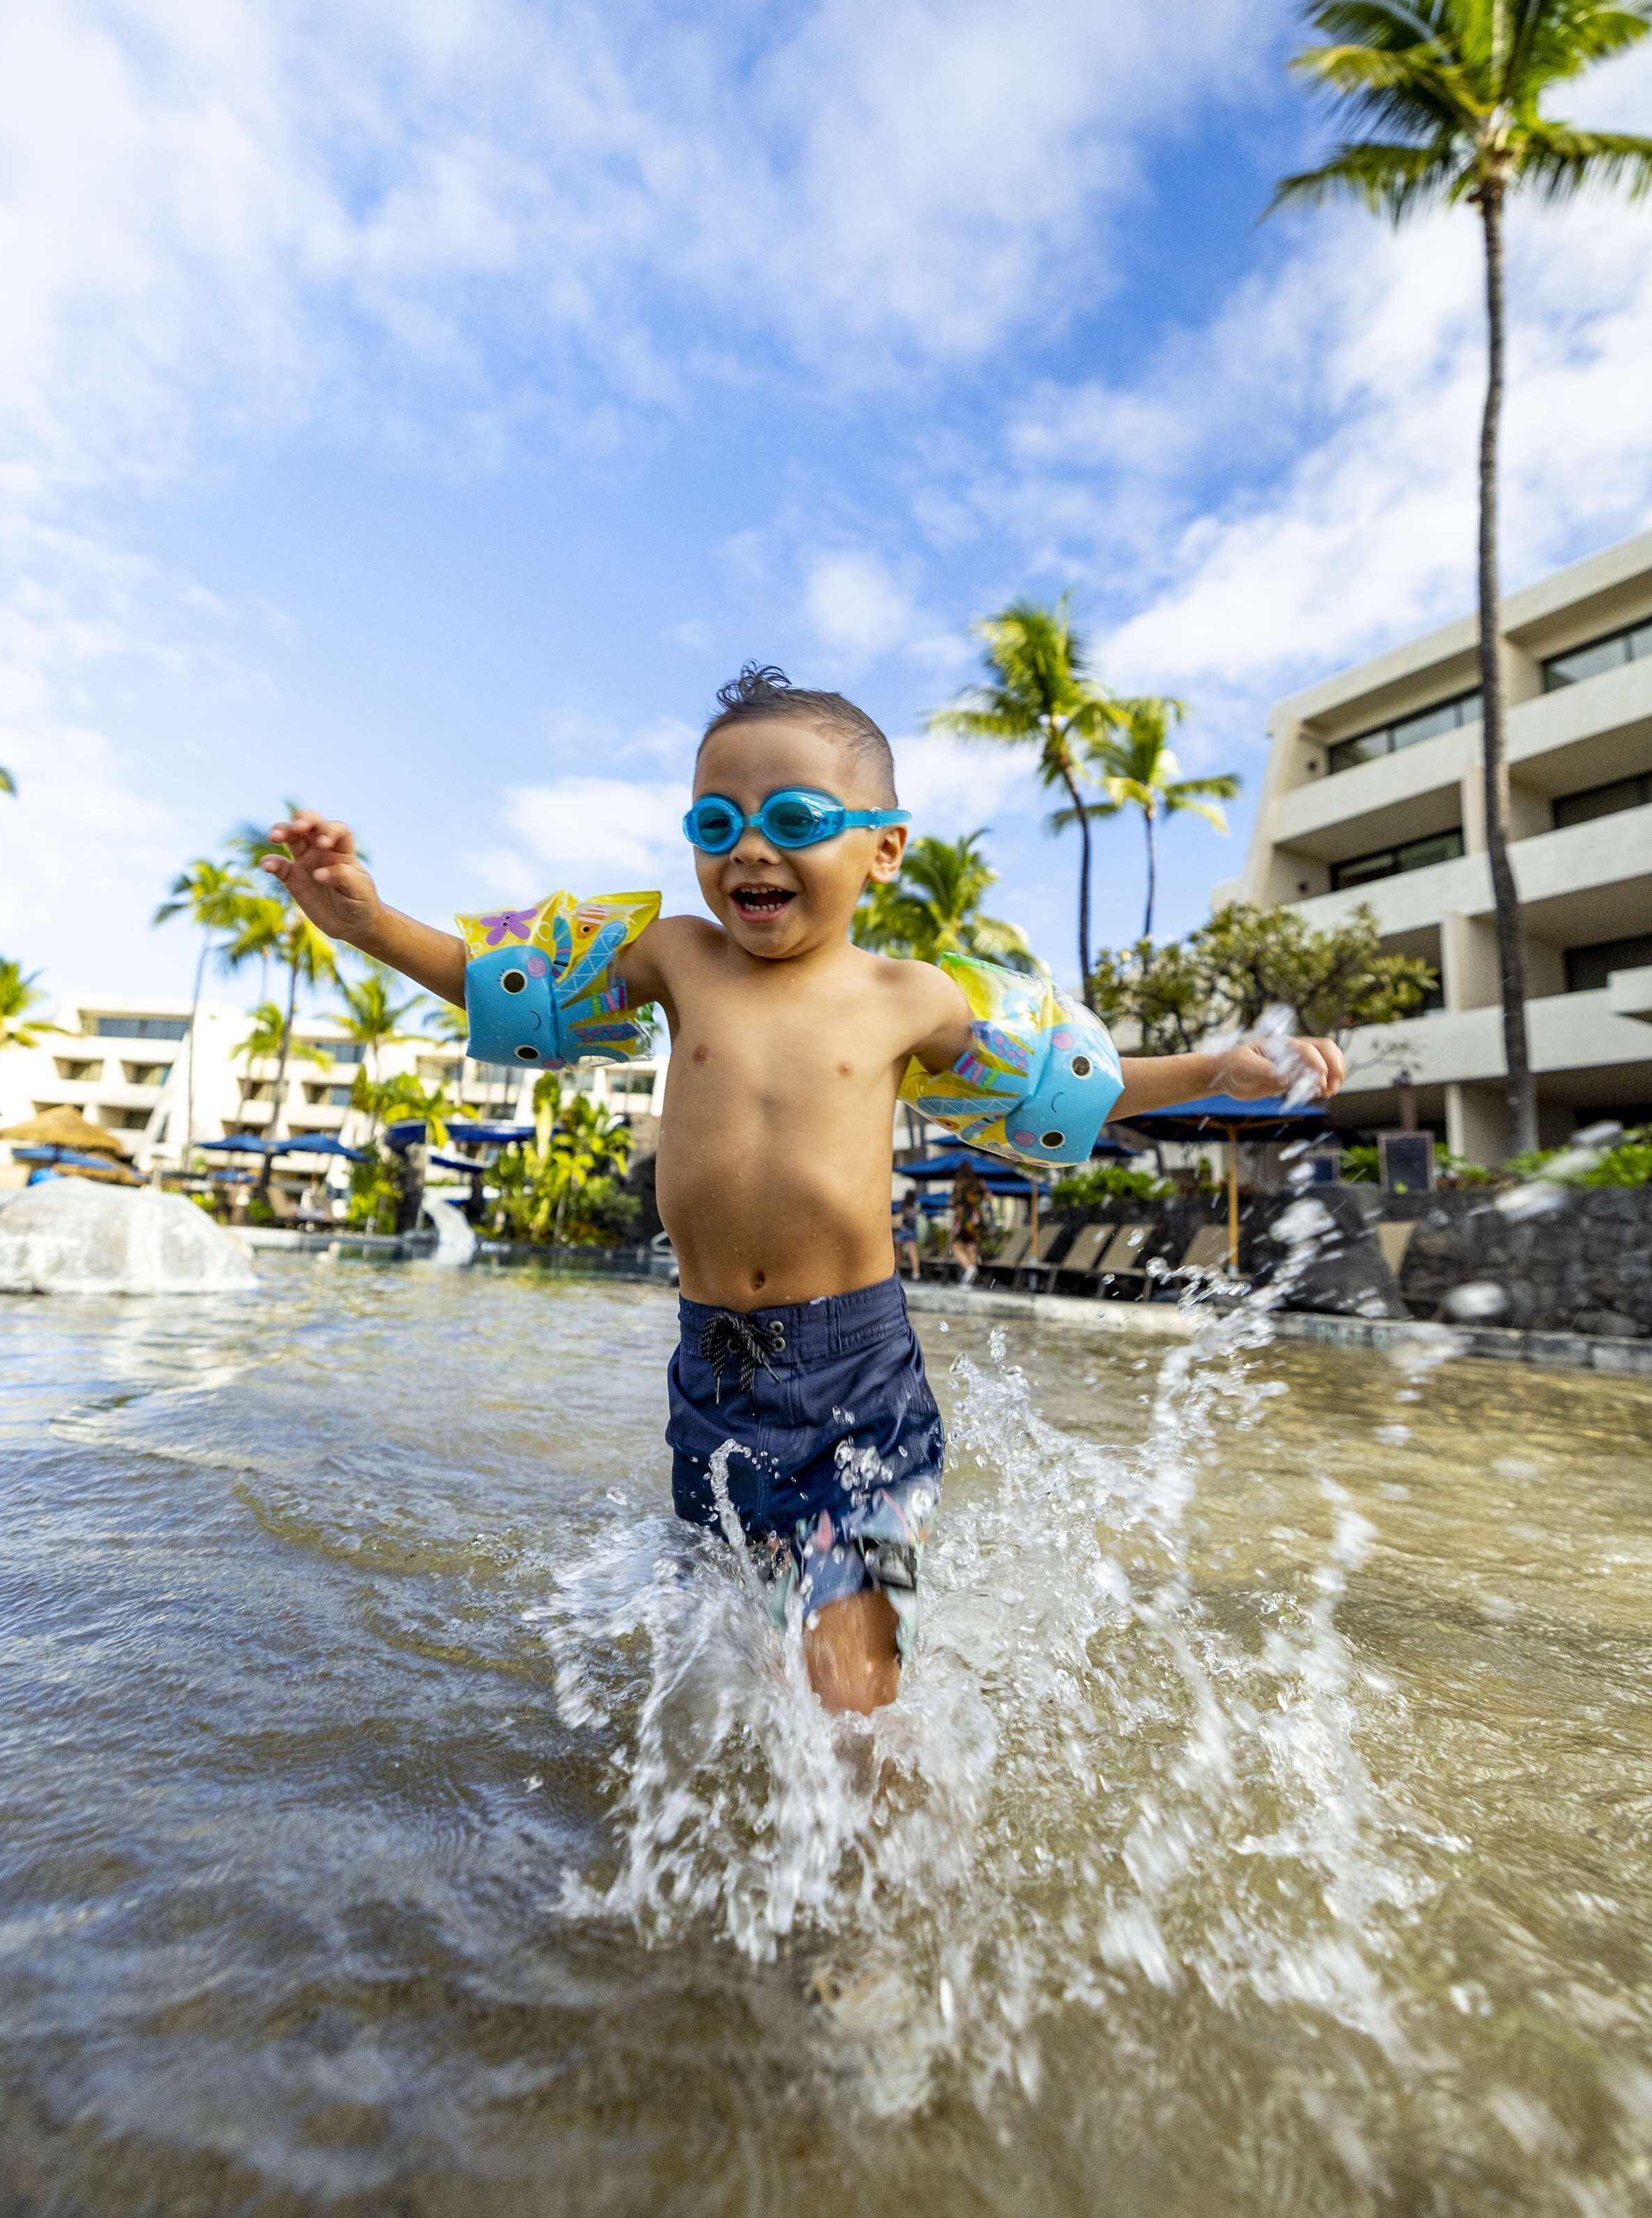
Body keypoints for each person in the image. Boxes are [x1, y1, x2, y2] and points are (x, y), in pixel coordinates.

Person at [260, 664, 1345, 1717]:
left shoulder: (904, 996)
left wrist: (1213, 1073)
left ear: (884, 850)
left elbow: (1062, 1086)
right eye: (717, 826)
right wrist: (368, 922)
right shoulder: (678, 957)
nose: (753, 850)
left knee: (854, 1687)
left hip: (856, 1375)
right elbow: (514, 988)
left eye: (793, 818)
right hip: (712, 1369)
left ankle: (889, 1870)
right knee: (740, 1645)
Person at [947, 1168, 985, 1285]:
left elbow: (953, 1202)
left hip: (963, 1220)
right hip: (975, 1221)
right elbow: (985, 1197)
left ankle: (969, 1268)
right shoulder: (977, 1185)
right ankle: (970, 1280)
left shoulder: (959, 1186)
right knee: (971, 1248)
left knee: (956, 1246)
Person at [893, 1186, 923, 1281]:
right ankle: (916, 1273)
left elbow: (899, 1221)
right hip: (912, 1231)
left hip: (901, 1231)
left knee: (898, 1253)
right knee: (913, 1253)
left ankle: (895, 1272)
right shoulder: (916, 1206)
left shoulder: (903, 1206)